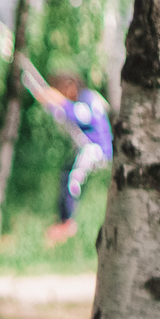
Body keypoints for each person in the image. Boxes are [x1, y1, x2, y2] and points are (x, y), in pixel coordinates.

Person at [37, 69, 114, 244]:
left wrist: (58, 101)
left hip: (95, 149)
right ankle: (64, 219)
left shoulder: (87, 97)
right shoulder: (85, 98)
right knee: (66, 175)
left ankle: (68, 221)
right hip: (89, 148)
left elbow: (82, 116)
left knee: (72, 178)